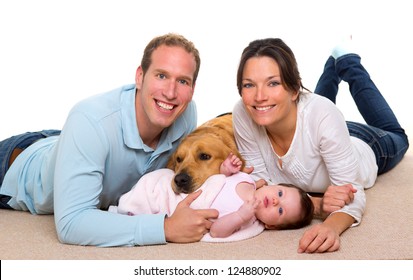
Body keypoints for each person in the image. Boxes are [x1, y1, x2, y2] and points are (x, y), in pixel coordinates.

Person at [0, 33, 219, 247]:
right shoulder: (90, 120)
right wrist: (165, 228)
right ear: (140, 77)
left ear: (192, 89)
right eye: (161, 75)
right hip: (16, 163)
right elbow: (71, 223)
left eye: (182, 81)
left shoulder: (186, 113)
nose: (171, 93)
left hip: (69, 140)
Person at [232, 37, 409, 253]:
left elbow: (353, 194)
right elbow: (260, 184)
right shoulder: (243, 112)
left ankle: (348, 63)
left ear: (295, 88)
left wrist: (331, 227)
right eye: (249, 85)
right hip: (323, 130)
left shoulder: (322, 114)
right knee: (316, 113)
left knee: (399, 137)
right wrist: (316, 205)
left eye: (273, 83)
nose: (259, 96)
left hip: (366, 143)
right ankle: (331, 67)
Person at [108, 153, 314, 241]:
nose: (276, 200)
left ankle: (128, 210)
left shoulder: (247, 220)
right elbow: (219, 179)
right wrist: (228, 168)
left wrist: (240, 216)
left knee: (152, 204)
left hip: (179, 205)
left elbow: (216, 231)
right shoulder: (248, 180)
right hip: (181, 188)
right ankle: (127, 197)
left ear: (271, 226)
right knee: (160, 178)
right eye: (280, 193)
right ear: (274, 184)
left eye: (280, 210)